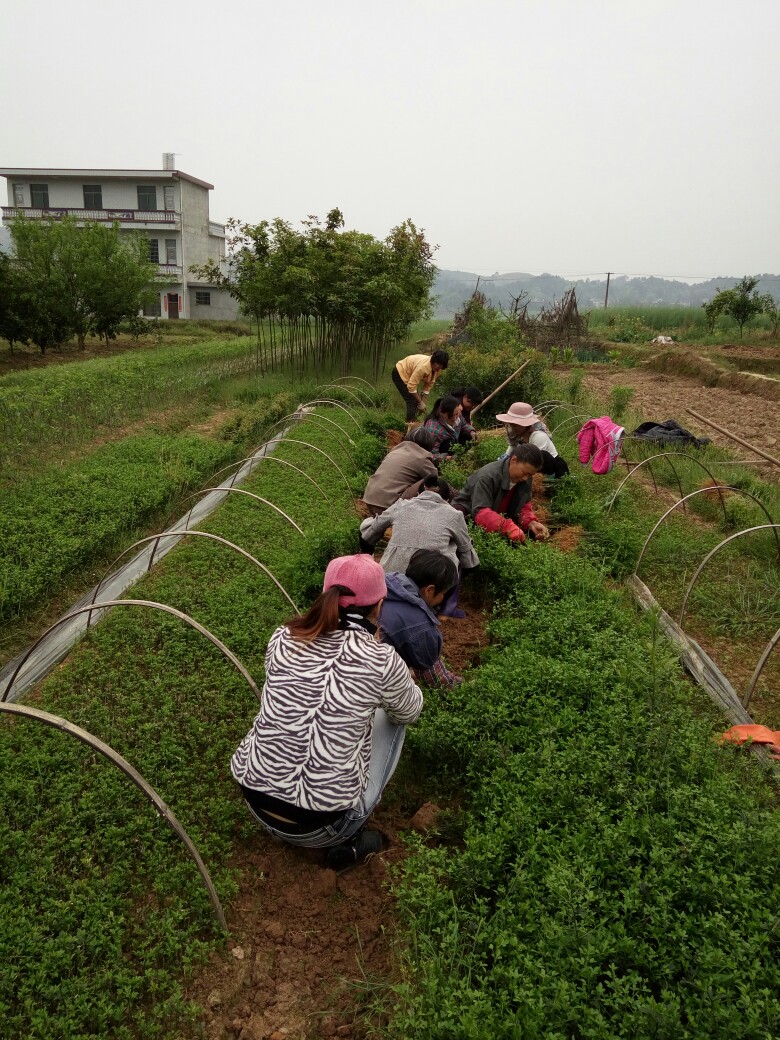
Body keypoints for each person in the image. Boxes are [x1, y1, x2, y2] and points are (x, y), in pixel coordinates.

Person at [231, 554, 423, 870]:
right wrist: (403, 681)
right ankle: (350, 841)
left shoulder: (284, 636)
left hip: (256, 804)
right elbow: (411, 711)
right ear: (378, 606)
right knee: (396, 713)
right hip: (325, 828)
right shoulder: (382, 659)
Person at [359, 476, 479, 577]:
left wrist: (369, 558)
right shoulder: (454, 515)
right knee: (461, 546)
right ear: (447, 501)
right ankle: (443, 599)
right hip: (430, 585)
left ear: (417, 494)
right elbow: (470, 562)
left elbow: (367, 533)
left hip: (390, 579)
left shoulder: (400, 505)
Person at [380, 549, 462, 688]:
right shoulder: (421, 626)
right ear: (429, 590)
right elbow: (436, 680)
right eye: (443, 593)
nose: (443, 599)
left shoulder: (386, 581)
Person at [452, 442, 550, 544]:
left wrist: (531, 522)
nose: (526, 478)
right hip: (469, 516)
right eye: (524, 473)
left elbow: (523, 505)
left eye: (530, 475)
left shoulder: (525, 478)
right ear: (514, 460)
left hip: (497, 518)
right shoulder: (488, 476)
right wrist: (507, 527)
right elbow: (481, 512)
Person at [362, 427, 438, 516]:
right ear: (428, 445)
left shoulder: (396, 450)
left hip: (370, 500)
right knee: (430, 480)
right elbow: (435, 477)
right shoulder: (422, 456)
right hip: (389, 506)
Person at [495, 401, 570, 478]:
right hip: (532, 465)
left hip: (550, 468)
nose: (513, 428)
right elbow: (508, 454)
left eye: (516, 425)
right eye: (511, 424)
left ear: (526, 424)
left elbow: (534, 460)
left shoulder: (538, 436)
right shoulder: (518, 436)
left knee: (540, 455)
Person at [392, 349, 449, 422]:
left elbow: (428, 386)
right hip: (400, 371)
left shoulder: (437, 370)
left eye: (441, 365)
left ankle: (413, 421)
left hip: (409, 376)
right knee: (412, 401)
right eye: (437, 363)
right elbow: (411, 387)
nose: (438, 366)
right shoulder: (423, 367)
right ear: (433, 360)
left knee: (416, 401)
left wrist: (423, 403)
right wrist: (420, 402)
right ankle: (410, 425)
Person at [422, 394, 462, 463]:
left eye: (457, 414)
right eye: (451, 416)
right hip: (438, 455)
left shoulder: (457, 414)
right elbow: (429, 455)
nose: (455, 418)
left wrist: (471, 431)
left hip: (449, 447)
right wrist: (446, 457)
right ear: (441, 412)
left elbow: (464, 424)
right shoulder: (434, 430)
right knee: (450, 444)